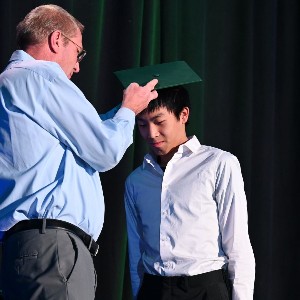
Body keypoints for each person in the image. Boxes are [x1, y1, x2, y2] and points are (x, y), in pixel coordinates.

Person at [0, 4, 158, 300]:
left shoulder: (11, 83)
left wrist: (118, 116)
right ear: (57, 39)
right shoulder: (42, 77)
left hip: (21, 251)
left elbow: (69, 142)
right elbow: (103, 151)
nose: (77, 66)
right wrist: (127, 111)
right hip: (52, 251)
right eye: (78, 52)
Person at [122, 62, 255, 300]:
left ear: (183, 115)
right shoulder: (136, 181)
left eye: (159, 122)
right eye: (142, 124)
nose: (150, 133)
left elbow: (237, 245)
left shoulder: (219, 163)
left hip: (205, 288)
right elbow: (136, 252)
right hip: (153, 289)